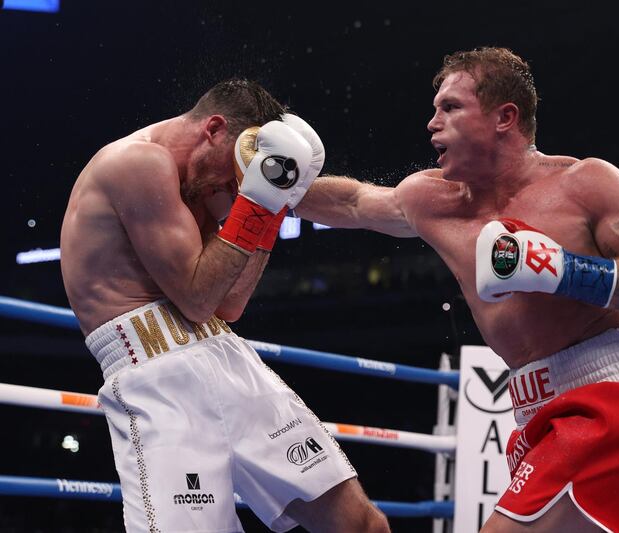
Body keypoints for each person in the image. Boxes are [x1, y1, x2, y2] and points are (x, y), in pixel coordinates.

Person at [295, 48, 619, 532]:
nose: (431, 123)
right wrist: (267, 182)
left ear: (505, 117)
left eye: (451, 107)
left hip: (613, 405)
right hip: (538, 415)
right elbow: (355, 201)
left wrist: (561, 270)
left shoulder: (583, 183)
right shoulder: (432, 199)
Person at [60, 79, 389, 533]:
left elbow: (228, 303)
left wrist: (271, 206)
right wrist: (257, 200)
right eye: (231, 170)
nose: (228, 186)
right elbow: (197, 299)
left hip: (224, 354)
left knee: (361, 525)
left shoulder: (206, 177)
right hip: (157, 378)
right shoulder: (137, 162)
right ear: (214, 128)